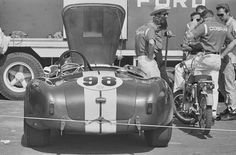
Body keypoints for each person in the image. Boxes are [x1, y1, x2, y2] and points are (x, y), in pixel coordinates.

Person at [185, 9, 234, 119]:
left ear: (203, 18)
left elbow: (189, 36)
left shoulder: (205, 25)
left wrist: (193, 24)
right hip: (217, 58)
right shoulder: (223, 27)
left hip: (206, 57)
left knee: (194, 78)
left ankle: (195, 105)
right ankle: (212, 112)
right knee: (214, 86)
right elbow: (233, 41)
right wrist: (224, 52)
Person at [215, 3, 236, 120]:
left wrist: (224, 53)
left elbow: (235, 42)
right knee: (221, 84)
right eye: (218, 15)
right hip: (224, 58)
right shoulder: (224, 24)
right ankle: (229, 107)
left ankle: (233, 109)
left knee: (229, 84)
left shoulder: (233, 24)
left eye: (222, 14)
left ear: (228, 12)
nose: (220, 17)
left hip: (230, 58)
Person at [173, 12, 202, 93]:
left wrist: (191, 47)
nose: (194, 21)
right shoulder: (189, 27)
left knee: (196, 76)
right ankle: (180, 92)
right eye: (192, 19)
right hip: (190, 56)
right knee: (183, 72)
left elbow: (200, 46)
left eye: (197, 19)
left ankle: (184, 89)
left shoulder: (203, 28)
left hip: (199, 56)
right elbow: (184, 46)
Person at [150, 6, 173, 87]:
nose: (167, 16)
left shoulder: (160, 24)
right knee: (161, 70)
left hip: (157, 51)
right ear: (158, 15)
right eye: (165, 14)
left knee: (161, 69)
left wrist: (166, 33)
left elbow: (161, 32)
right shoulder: (153, 25)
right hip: (154, 51)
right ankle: (168, 87)